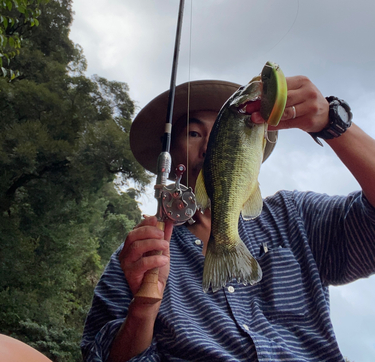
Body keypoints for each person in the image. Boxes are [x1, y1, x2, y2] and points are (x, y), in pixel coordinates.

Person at [81, 75, 375, 362]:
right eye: (194, 134)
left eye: (229, 134)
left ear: (256, 152)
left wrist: (334, 124)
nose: (210, 148)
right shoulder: (136, 258)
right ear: (168, 158)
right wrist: (144, 306)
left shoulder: (296, 215)